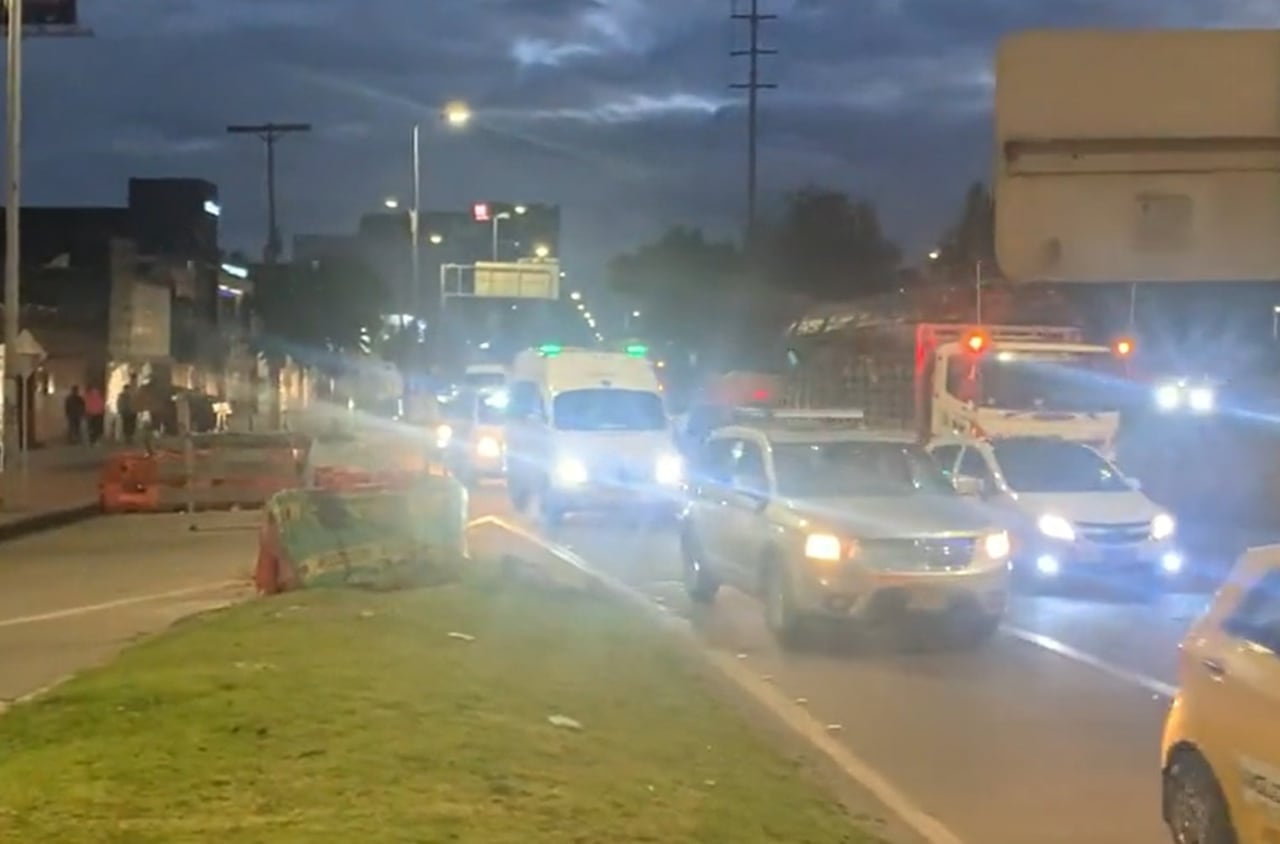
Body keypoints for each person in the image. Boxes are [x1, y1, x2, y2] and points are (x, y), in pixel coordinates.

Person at [118, 379, 138, 444]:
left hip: (131, 412)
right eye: (127, 389)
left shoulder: (130, 395)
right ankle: (128, 437)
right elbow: (120, 404)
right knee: (127, 425)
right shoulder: (122, 396)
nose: (127, 391)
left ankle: (129, 437)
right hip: (127, 412)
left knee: (130, 425)